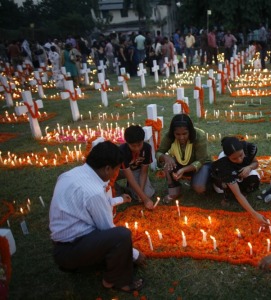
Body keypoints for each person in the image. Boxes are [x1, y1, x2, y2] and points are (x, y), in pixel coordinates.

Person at [49, 141, 145, 293]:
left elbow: (92, 206)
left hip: (61, 246)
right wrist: (135, 254)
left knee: (118, 243)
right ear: (107, 168)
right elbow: (107, 229)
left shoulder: (70, 174)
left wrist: (120, 199)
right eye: (116, 169)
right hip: (71, 249)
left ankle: (83, 264)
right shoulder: (94, 192)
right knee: (122, 236)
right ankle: (115, 281)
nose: (116, 174)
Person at [211, 136, 269, 226]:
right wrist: (255, 214)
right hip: (224, 178)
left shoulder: (247, 148)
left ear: (242, 149)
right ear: (227, 156)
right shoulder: (224, 164)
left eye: (241, 155)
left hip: (240, 172)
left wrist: (249, 167)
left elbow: (255, 163)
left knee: (253, 179)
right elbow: (237, 194)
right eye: (234, 158)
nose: (239, 160)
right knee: (228, 188)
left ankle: (243, 191)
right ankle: (227, 197)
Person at [156, 114, 211, 202]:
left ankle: (207, 183)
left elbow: (201, 160)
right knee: (167, 163)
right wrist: (165, 157)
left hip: (201, 164)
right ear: (173, 132)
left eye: (185, 133)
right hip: (180, 162)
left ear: (190, 131)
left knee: (199, 188)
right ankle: (174, 190)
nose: (181, 137)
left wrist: (184, 170)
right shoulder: (169, 136)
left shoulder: (199, 136)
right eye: (177, 134)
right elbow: (159, 152)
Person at [118, 125, 155, 210]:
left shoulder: (147, 148)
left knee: (146, 193)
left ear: (143, 141)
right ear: (127, 143)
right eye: (133, 146)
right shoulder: (122, 151)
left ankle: (130, 189)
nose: (137, 148)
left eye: (139, 145)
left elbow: (144, 172)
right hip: (119, 171)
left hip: (135, 170)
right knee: (114, 195)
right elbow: (129, 177)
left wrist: (141, 193)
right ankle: (118, 189)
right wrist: (145, 199)